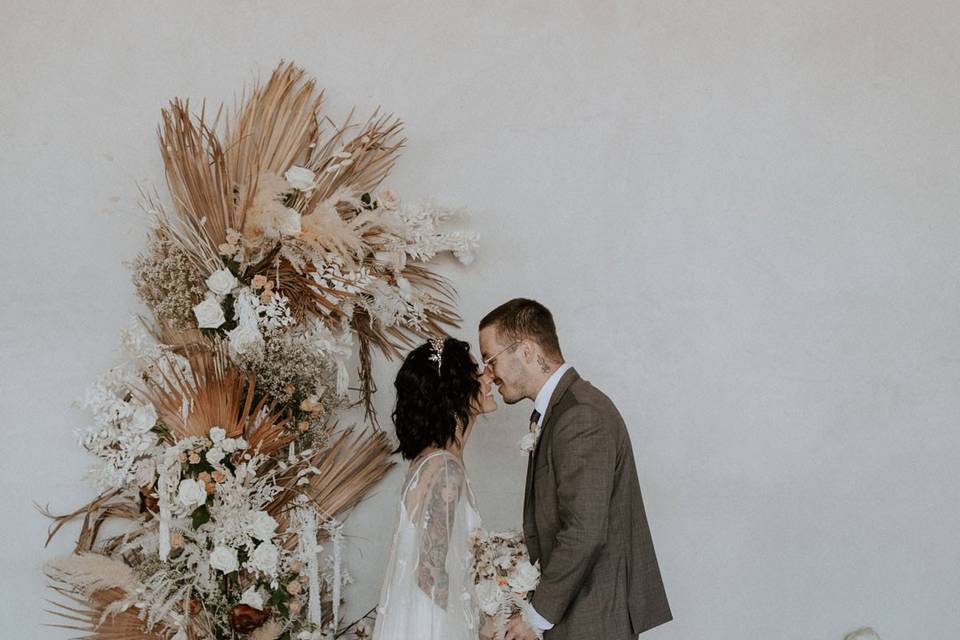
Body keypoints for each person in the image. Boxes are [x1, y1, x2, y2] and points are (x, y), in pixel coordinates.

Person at [478, 299, 672, 640]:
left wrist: (536, 617)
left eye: (491, 360)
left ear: (525, 350)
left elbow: (584, 531)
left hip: (593, 617)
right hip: (582, 611)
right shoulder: (566, 408)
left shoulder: (580, 415)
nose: (488, 374)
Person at [372, 336, 498, 640]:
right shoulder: (443, 468)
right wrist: (484, 625)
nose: (488, 378)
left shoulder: (428, 461)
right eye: (476, 372)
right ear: (455, 391)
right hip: (435, 625)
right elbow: (430, 573)